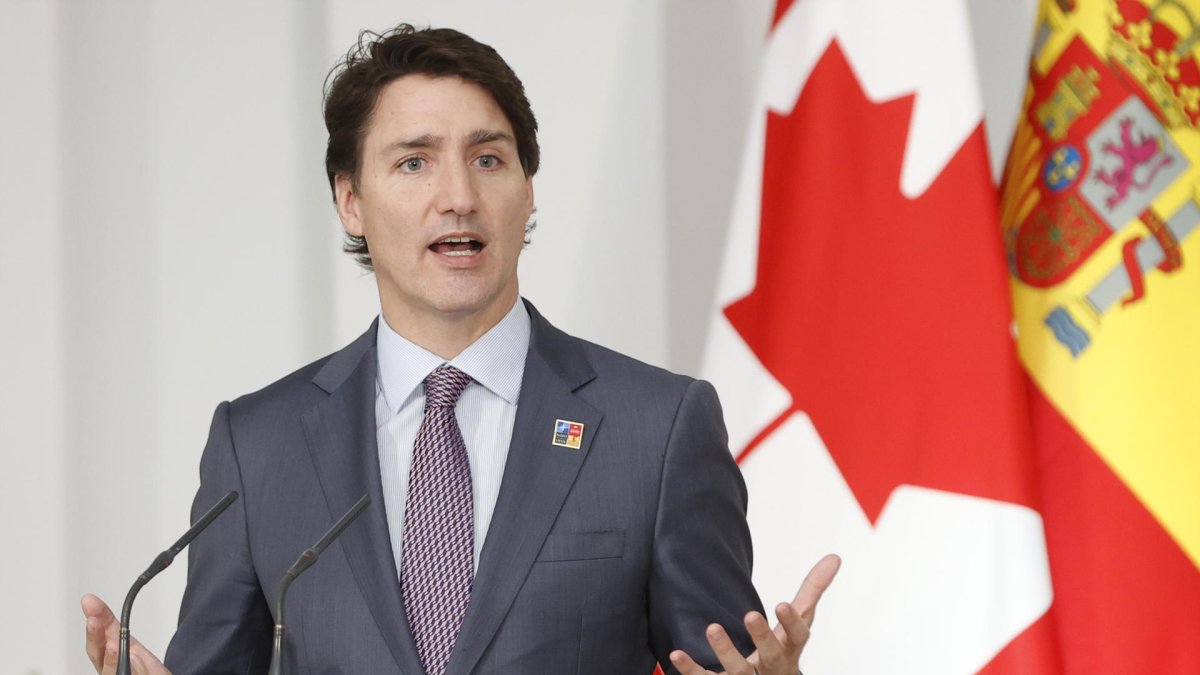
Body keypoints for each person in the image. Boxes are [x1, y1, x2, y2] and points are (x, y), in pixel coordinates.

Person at [81, 24, 839, 675]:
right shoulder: (259, 446)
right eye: (414, 161)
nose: (459, 196)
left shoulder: (658, 427)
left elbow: (715, 660)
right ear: (350, 199)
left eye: (488, 158)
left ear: (528, 187)